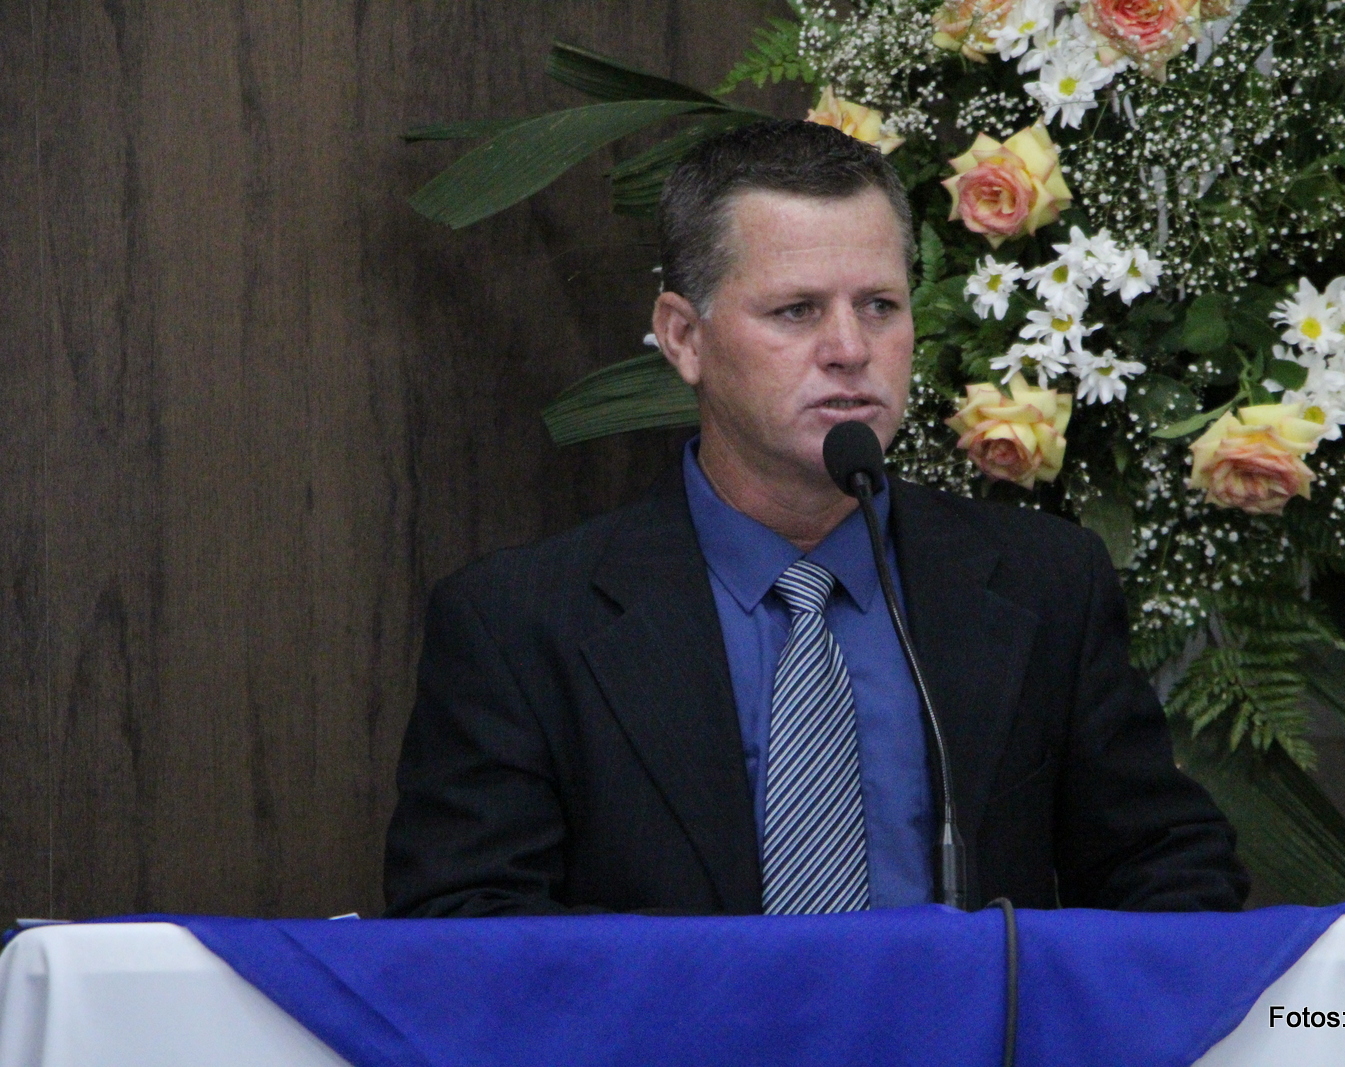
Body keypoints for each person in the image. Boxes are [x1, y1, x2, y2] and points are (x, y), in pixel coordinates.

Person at [383, 120, 1248, 918]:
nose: (850, 348)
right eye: (796, 310)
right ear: (683, 337)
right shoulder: (521, 624)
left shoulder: (1045, 581)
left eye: (879, 306)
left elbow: (1169, 872)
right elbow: (466, 931)